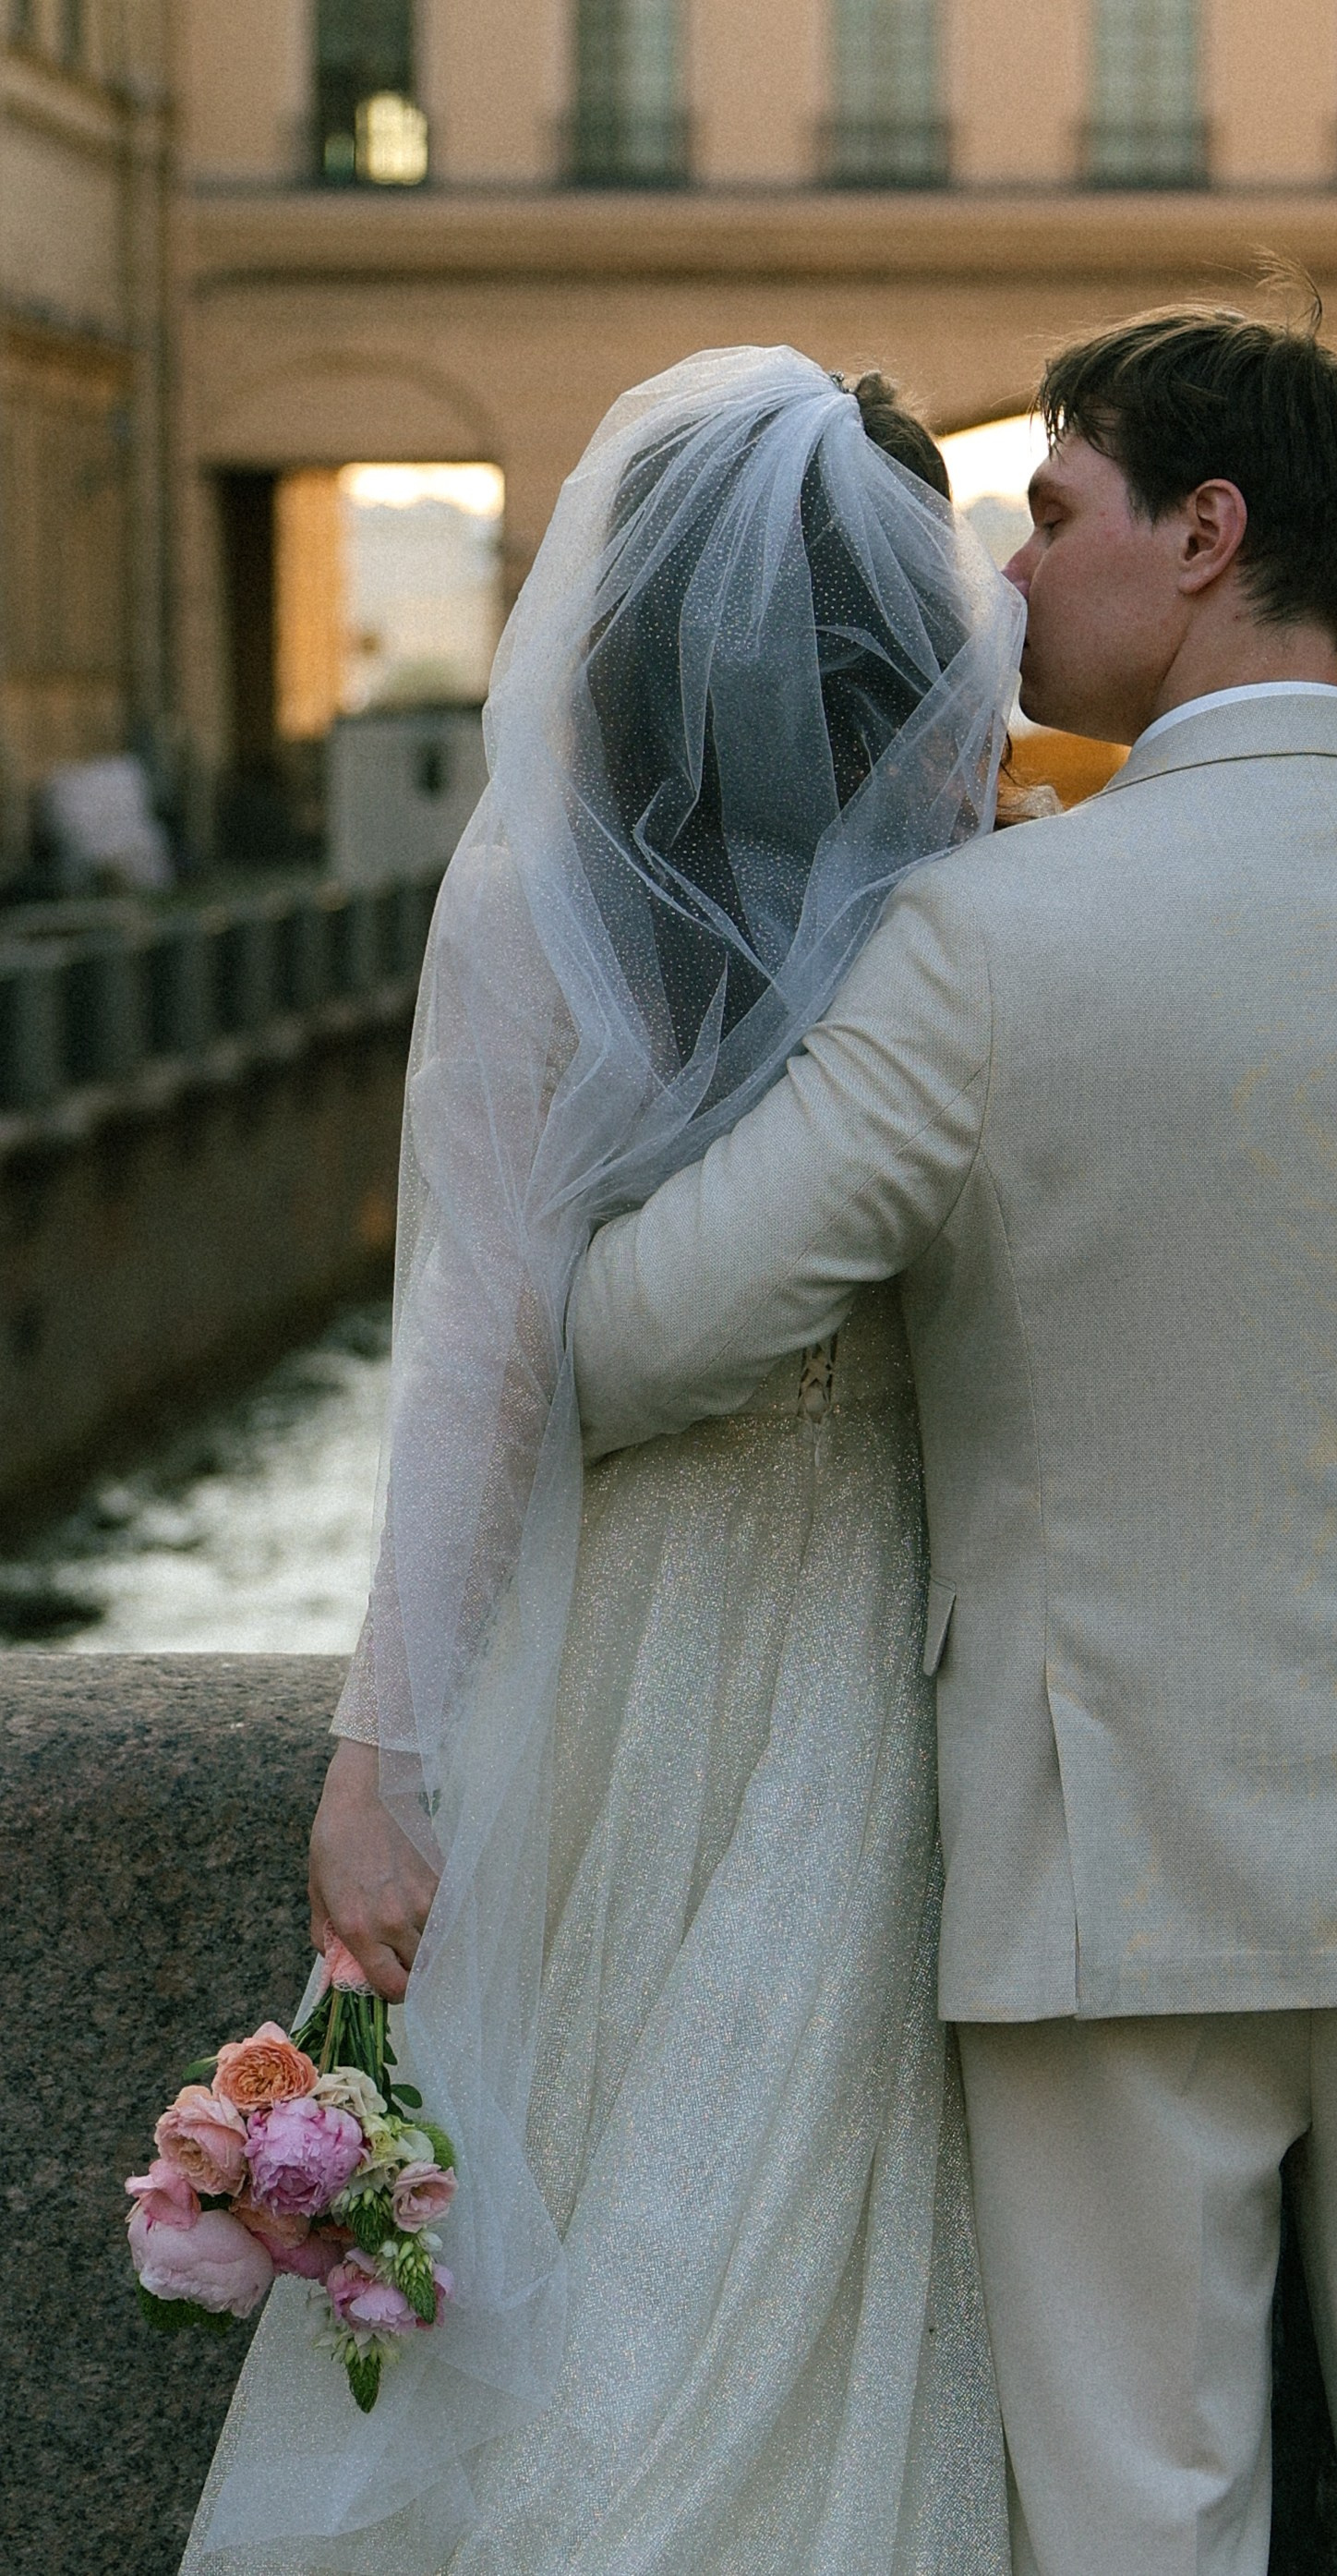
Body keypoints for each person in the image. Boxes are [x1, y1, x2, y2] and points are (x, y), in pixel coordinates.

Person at [571, 304, 1337, 2576]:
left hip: (1116, 1866)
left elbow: (640, 1344)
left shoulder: (990, 949)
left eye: (1054, 514)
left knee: (1134, 2525)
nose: (1006, 580)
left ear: (1207, 534)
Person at [179, 347, 1026, 2576]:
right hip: (888, 1611)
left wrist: (385, 1746)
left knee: (599, 2124)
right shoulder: (968, 891)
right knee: (816, 2184)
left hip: (621, 1611)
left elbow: (471, 1358)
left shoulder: (537, 896)